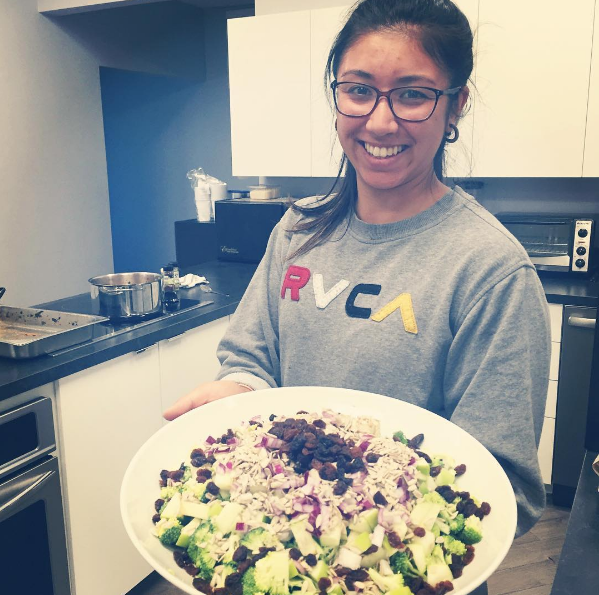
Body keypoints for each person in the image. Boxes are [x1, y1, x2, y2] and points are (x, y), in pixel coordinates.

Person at [165, 1, 551, 591]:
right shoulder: (297, 229)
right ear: (336, 94)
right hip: (280, 546)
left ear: (456, 106)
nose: (380, 121)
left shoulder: (491, 269)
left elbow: (508, 484)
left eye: (414, 94)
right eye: (359, 89)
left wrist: (383, 527)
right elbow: (251, 360)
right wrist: (235, 392)